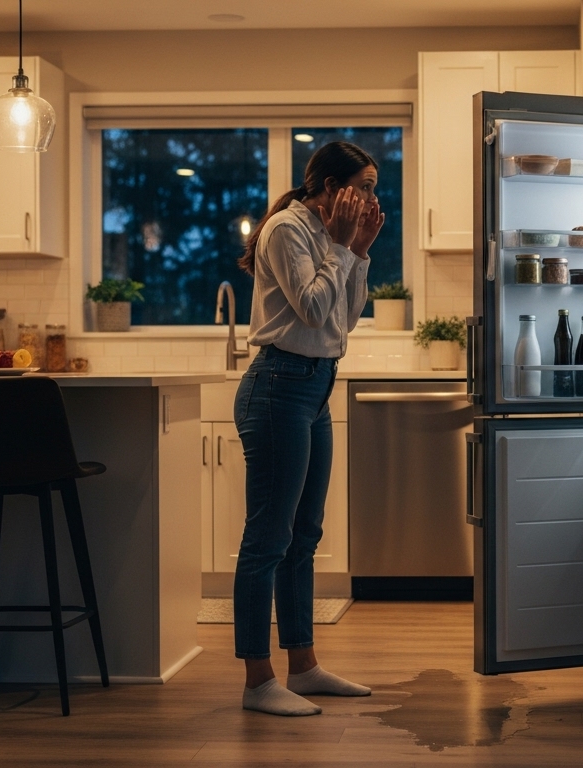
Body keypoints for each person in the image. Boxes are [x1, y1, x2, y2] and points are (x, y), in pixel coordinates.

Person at [232, 141, 384, 716]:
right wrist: (344, 245)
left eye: (373, 188)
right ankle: (257, 680)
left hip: (315, 387)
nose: (370, 198)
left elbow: (343, 318)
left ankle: (303, 666)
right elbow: (314, 309)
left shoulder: (332, 234)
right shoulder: (287, 230)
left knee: (304, 536)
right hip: (277, 386)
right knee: (267, 539)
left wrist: (360, 252)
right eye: (363, 186)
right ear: (327, 186)